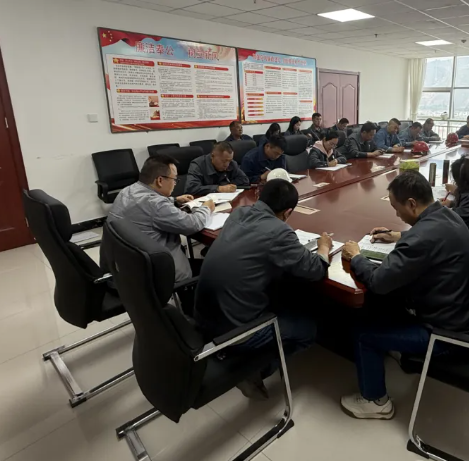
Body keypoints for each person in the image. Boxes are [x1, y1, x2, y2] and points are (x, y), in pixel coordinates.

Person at [339, 172, 469, 419]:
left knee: (363, 333)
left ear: (411, 204)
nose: (397, 215)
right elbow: (428, 236)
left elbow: (377, 282)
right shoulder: (448, 214)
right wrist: (397, 235)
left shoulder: (420, 238)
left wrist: (356, 257)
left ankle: (376, 402)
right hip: (467, 316)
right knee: (386, 304)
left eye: (396, 208)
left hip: (448, 335)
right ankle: (395, 348)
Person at [194, 179, 332, 399]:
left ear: (260, 197)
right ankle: (252, 371)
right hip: (235, 331)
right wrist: (324, 248)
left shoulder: (238, 213)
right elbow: (315, 269)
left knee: (279, 289)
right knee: (308, 329)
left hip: (202, 317)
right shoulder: (279, 232)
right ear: (288, 212)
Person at [108, 154, 215, 282]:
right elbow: (192, 224)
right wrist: (206, 208)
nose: (175, 184)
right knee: (217, 270)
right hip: (161, 271)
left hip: (129, 266)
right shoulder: (157, 204)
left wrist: (174, 200)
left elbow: (148, 204)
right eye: (174, 179)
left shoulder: (127, 191)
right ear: (160, 180)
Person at [185, 142, 249, 195]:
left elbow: (244, 180)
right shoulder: (197, 165)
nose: (227, 165)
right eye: (224, 161)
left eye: (229, 161)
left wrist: (226, 185)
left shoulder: (232, 164)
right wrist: (218, 188)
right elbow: (191, 188)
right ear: (212, 156)